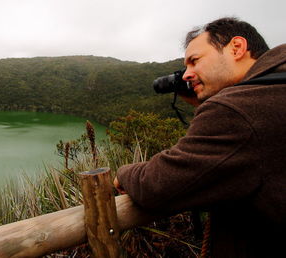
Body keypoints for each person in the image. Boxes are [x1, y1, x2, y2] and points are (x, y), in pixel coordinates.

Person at [114, 17, 285, 257]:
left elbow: (155, 186)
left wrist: (123, 172)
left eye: (194, 61)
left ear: (236, 48)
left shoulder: (237, 110)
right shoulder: (274, 89)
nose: (186, 75)